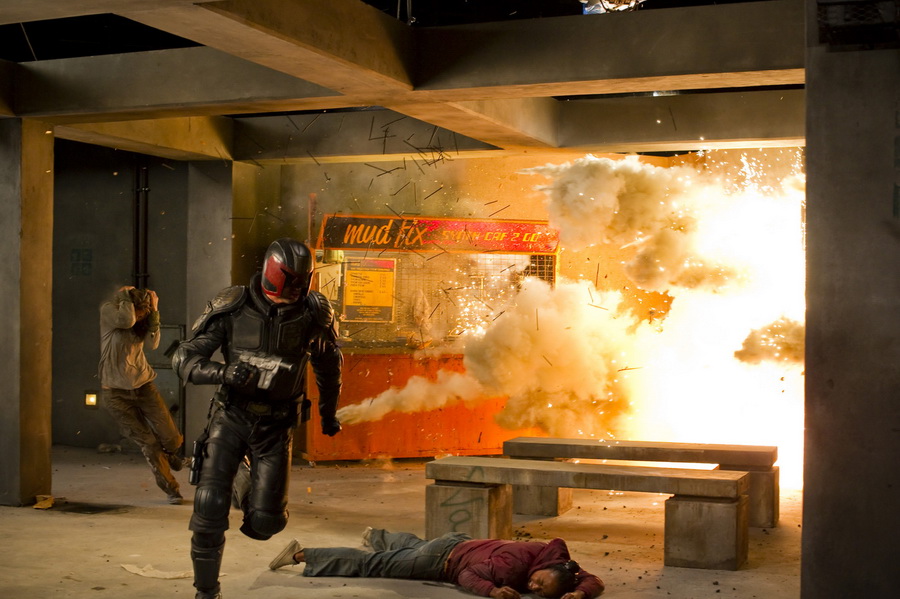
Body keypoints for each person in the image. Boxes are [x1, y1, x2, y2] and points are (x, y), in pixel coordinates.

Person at [172, 238, 343, 599]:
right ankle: (206, 593)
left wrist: (328, 415)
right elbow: (184, 358)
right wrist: (224, 373)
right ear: (272, 273)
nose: (293, 291)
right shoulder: (233, 305)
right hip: (231, 417)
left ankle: (243, 480)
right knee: (209, 508)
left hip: (276, 427)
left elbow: (329, 367)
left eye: (301, 283)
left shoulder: (313, 313)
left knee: (267, 523)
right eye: (289, 282)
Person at [268, 528, 605, 599]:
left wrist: (581, 593)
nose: (533, 587)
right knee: (375, 565)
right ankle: (301, 554)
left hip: (458, 542)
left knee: (411, 548)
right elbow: (468, 575)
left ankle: (377, 534)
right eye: (538, 583)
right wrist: (491, 591)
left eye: (540, 591)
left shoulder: (556, 560)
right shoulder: (512, 567)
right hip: (443, 560)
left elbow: (592, 579)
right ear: (541, 571)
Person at [99, 285, 185, 504]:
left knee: (172, 438)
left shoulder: (142, 320)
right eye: (138, 313)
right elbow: (126, 320)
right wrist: (124, 295)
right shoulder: (109, 311)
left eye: (142, 315)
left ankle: (170, 453)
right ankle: (171, 489)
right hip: (116, 394)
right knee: (149, 443)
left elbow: (153, 344)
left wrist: (154, 312)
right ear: (127, 306)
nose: (139, 318)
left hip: (144, 387)